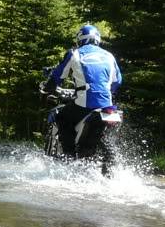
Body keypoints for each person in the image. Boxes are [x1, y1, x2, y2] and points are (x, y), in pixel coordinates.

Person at [44, 24, 122, 157]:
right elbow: (117, 81)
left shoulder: (74, 53)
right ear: (97, 39)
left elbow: (58, 76)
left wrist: (48, 88)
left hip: (85, 102)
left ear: (80, 39)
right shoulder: (109, 56)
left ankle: (69, 157)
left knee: (62, 117)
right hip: (106, 104)